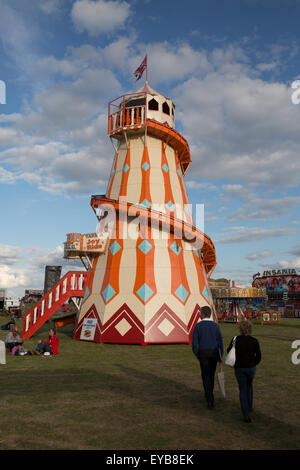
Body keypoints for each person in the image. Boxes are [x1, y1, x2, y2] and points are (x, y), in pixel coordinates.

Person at [227, 319, 261, 423]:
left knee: (243, 390)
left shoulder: (235, 339)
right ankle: (250, 406)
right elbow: (258, 356)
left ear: (240, 329)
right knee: (249, 386)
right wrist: (253, 363)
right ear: (250, 329)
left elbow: (229, 351)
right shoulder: (254, 341)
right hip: (251, 368)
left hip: (239, 368)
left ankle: (246, 414)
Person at [192, 306, 224, 408]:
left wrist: (198, 354)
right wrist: (220, 355)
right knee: (211, 375)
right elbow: (220, 342)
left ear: (203, 314)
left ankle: (209, 398)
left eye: (200, 313)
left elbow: (194, 343)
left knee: (205, 375)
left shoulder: (198, 326)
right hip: (214, 353)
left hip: (203, 353)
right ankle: (210, 395)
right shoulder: (215, 326)